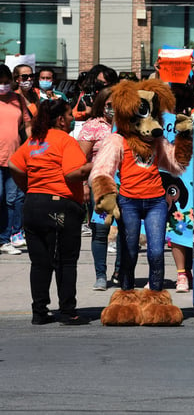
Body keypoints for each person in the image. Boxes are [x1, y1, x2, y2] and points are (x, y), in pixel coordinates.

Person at [9, 99, 92, 325]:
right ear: (61, 120)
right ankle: (68, 311)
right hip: (60, 204)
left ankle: (39, 311)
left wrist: (29, 188)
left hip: (34, 205)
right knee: (66, 260)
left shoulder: (34, 141)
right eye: (70, 115)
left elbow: (14, 164)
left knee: (40, 262)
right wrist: (96, 164)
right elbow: (72, 173)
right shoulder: (65, 141)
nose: (73, 118)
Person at [77, 87, 120, 290]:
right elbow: (80, 159)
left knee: (127, 231)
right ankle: (101, 275)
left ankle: (120, 272)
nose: (113, 109)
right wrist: (84, 185)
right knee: (101, 231)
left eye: (116, 104)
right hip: (100, 187)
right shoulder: (92, 127)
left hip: (127, 185)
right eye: (109, 105)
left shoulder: (130, 125)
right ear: (102, 105)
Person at [0, 64, 31, 255]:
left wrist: (34, 144)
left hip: (13, 157)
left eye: (6, 82)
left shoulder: (18, 100)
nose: (3, 86)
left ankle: (6, 239)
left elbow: (27, 125)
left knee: (12, 200)